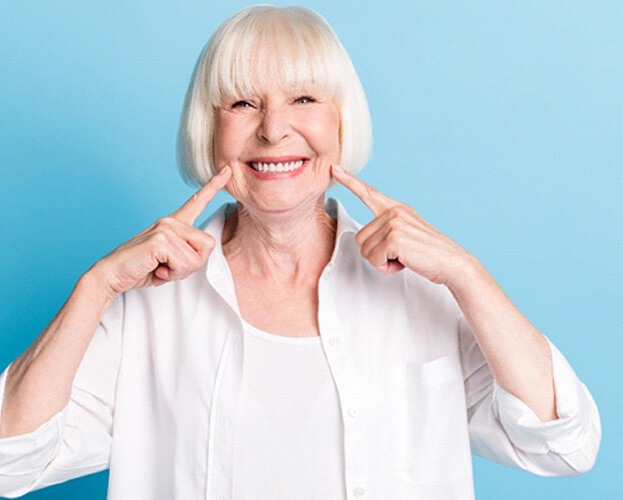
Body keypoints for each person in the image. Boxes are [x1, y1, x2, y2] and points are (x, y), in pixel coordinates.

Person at [0, 5, 600, 500]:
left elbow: (563, 446)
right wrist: (95, 287)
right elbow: (10, 463)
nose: (273, 130)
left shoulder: (422, 290)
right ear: (209, 130)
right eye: (242, 103)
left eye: (305, 99)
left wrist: (468, 275)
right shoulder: (145, 308)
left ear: (342, 122)